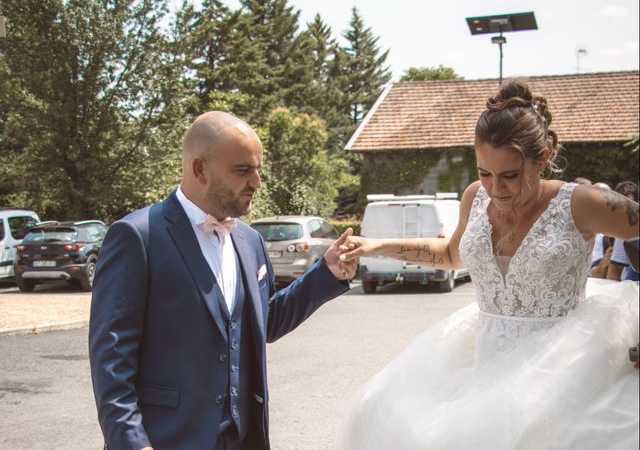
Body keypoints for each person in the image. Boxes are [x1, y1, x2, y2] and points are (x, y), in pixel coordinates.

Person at [336, 81, 639, 449]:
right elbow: (450, 254)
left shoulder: (583, 202)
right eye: (485, 173)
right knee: (381, 410)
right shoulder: (474, 197)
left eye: (510, 175)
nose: (496, 188)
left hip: (561, 370)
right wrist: (378, 245)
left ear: (542, 157)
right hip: (480, 357)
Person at [89, 111, 358, 450]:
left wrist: (326, 273)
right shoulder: (137, 237)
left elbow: (266, 321)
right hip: (169, 439)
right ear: (200, 169)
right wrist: (132, 443)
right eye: (243, 170)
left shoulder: (250, 241)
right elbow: (111, 360)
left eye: (258, 169)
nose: (257, 182)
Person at [606, 181, 640, 281]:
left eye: (629, 205)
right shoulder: (626, 227)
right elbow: (615, 268)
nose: (625, 211)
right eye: (620, 207)